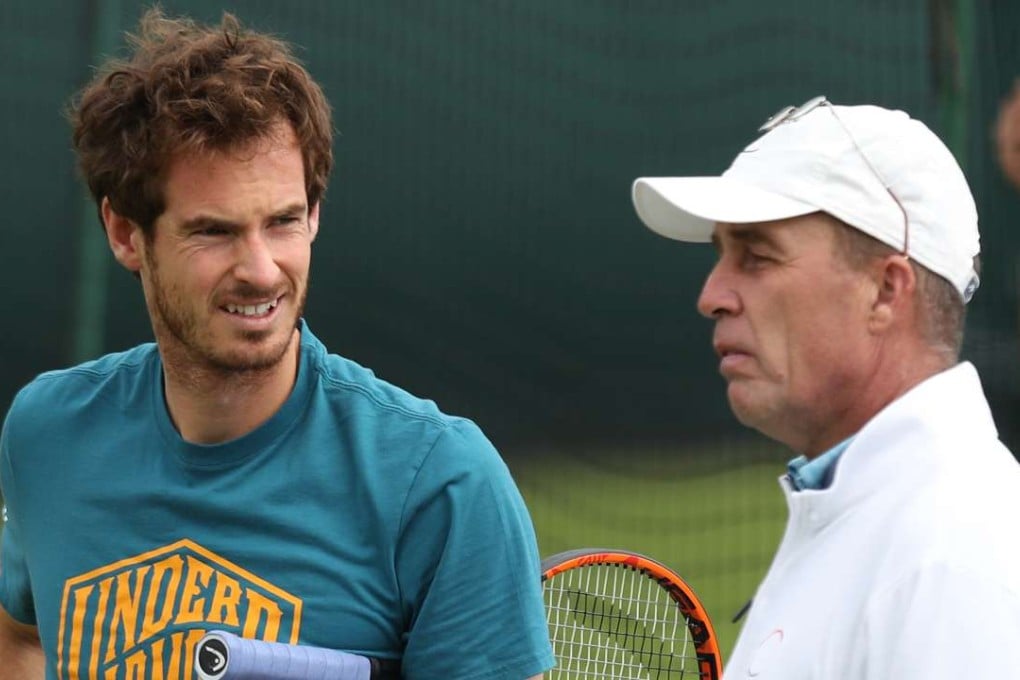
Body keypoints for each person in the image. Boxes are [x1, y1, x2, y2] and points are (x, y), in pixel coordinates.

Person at [0, 9, 553, 680]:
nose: (261, 269)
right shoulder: (45, 433)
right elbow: (21, 638)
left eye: (284, 221)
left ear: (315, 213)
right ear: (124, 233)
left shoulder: (442, 485)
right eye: (214, 232)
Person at [631, 96, 1020, 678]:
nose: (712, 295)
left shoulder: (955, 553)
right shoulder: (885, 517)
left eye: (757, 256)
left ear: (886, 291)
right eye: (722, 256)